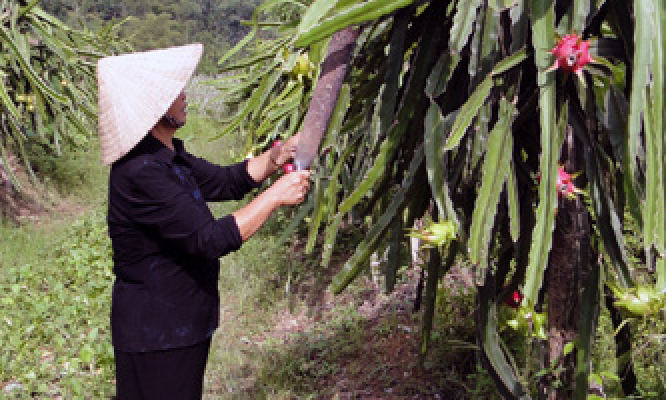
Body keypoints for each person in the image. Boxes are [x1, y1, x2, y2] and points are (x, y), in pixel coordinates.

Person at [97, 43, 311, 399]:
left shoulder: (167, 156)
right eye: (173, 92)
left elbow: (227, 180)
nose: (183, 96)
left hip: (179, 322)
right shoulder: (141, 173)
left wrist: (277, 157)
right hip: (159, 332)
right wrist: (275, 196)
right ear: (153, 107)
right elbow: (209, 239)